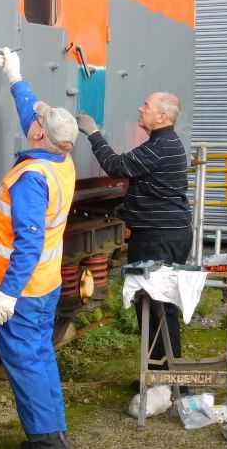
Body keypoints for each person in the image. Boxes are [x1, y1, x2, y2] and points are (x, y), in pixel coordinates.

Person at [0, 47, 78, 449]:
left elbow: (27, 243)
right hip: (46, 285)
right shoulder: (62, 160)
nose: (32, 123)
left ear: (40, 135)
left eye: (37, 122)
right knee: (40, 357)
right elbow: (32, 115)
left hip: (22, 289)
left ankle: (44, 447)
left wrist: (7, 293)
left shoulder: (30, 180)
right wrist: (15, 78)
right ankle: (54, 433)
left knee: (26, 363)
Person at [76, 93, 192, 380]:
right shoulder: (165, 144)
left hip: (158, 238)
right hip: (167, 233)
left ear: (161, 117)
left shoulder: (160, 147)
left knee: (157, 309)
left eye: (147, 106)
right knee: (156, 308)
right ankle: (159, 376)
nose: (140, 108)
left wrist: (93, 133)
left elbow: (115, 165)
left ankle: (166, 382)